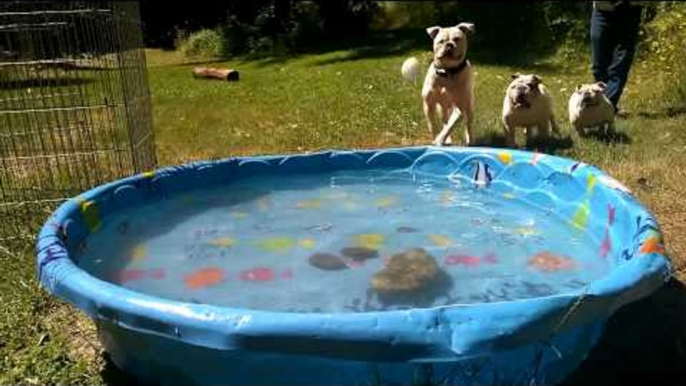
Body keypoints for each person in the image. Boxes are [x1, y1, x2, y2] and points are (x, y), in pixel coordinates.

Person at [590, 1, 645, 117]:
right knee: (598, 64)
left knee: (621, 63)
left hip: (630, 11)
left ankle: (605, 108)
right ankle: (607, 108)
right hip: (602, 10)